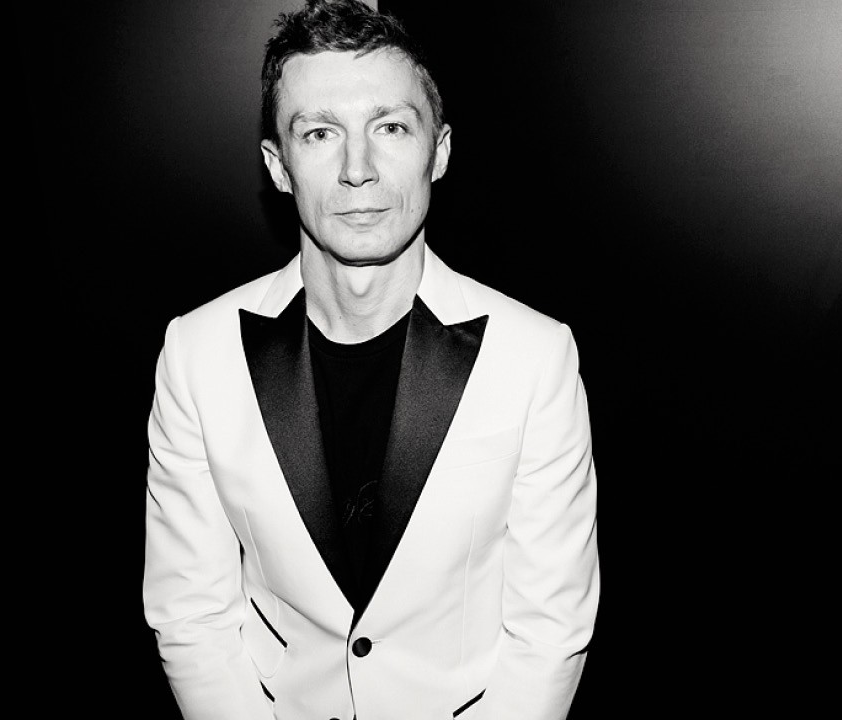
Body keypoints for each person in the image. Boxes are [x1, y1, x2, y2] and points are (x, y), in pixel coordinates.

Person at [143, 1, 599, 718]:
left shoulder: (536, 357)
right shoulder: (196, 355)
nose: (358, 170)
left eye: (390, 127)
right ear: (278, 166)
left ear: (438, 152)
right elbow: (191, 617)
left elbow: (549, 633)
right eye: (320, 133)